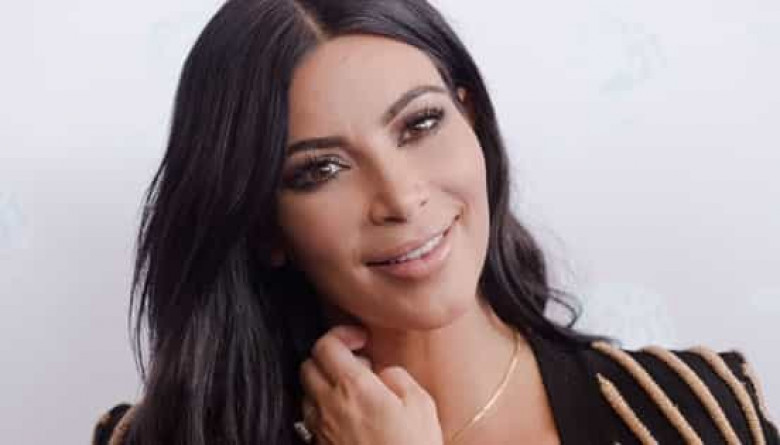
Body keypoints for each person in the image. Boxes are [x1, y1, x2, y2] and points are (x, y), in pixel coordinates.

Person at [93, 1, 778, 444]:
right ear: (264, 226)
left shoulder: (690, 413)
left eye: (419, 124)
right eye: (321, 169)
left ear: (469, 115)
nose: (399, 197)